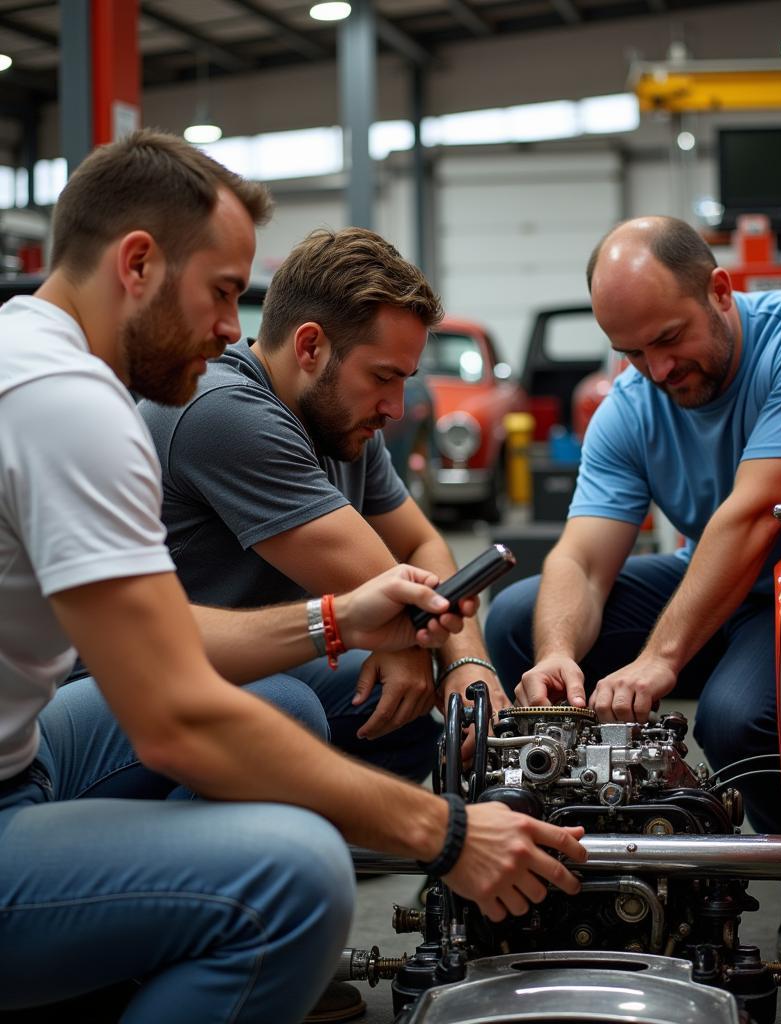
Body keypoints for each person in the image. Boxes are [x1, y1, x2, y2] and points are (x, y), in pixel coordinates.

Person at [0, 130, 586, 1024]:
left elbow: (164, 638)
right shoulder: (77, 407)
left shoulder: (31, 354)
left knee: (283, 703)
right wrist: (448, 835)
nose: (234, 324)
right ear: (139, 264)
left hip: (29, 749)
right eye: (224, 292)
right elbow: (173, 714)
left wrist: (342, 624)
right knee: (299, 876)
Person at [485, 215, 781, 970]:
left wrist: (661, 659)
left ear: (720, 291)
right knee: (514, 620)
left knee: (736, 718)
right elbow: (585, 559)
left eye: (668, 340)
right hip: (710, 589)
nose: (657, 370)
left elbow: (754, 515)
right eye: (632, 352)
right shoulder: (632, 405)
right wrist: (559, 652)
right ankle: (557, 831)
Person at [139, 228, 508, 783]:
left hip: (251, 663)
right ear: (310, 346)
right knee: (292, 706)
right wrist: (417, 644)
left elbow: (418, 543)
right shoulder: (222, 410)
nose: (395, 407)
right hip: (137, 683)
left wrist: (464, 666)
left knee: (412, 716)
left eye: (405, 380)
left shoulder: (346, 423)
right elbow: (397, 588)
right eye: (383, 377)